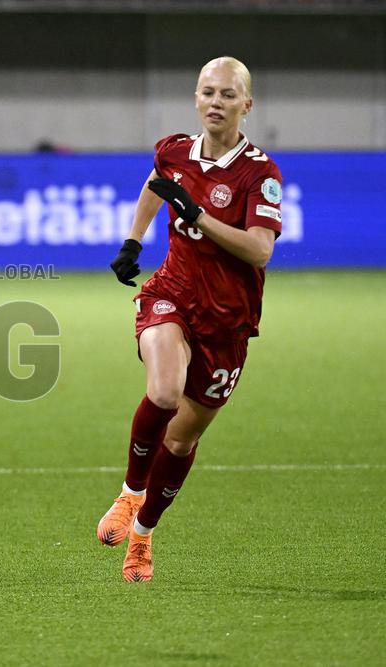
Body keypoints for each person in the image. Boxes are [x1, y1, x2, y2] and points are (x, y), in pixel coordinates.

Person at [101, 56, 283, 582]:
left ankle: (144, 534)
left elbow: (259, 251)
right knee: (162, 392)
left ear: (246, 105)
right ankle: (129, 495)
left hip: (228, 324)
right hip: (174, 295)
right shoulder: (175, 151)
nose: (215, 103)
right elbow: (157, 182)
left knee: (180, 441)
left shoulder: (259, 173)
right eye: (207, 93)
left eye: (228, 95)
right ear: (195, 98)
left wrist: (198, 214)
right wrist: (134, 240)